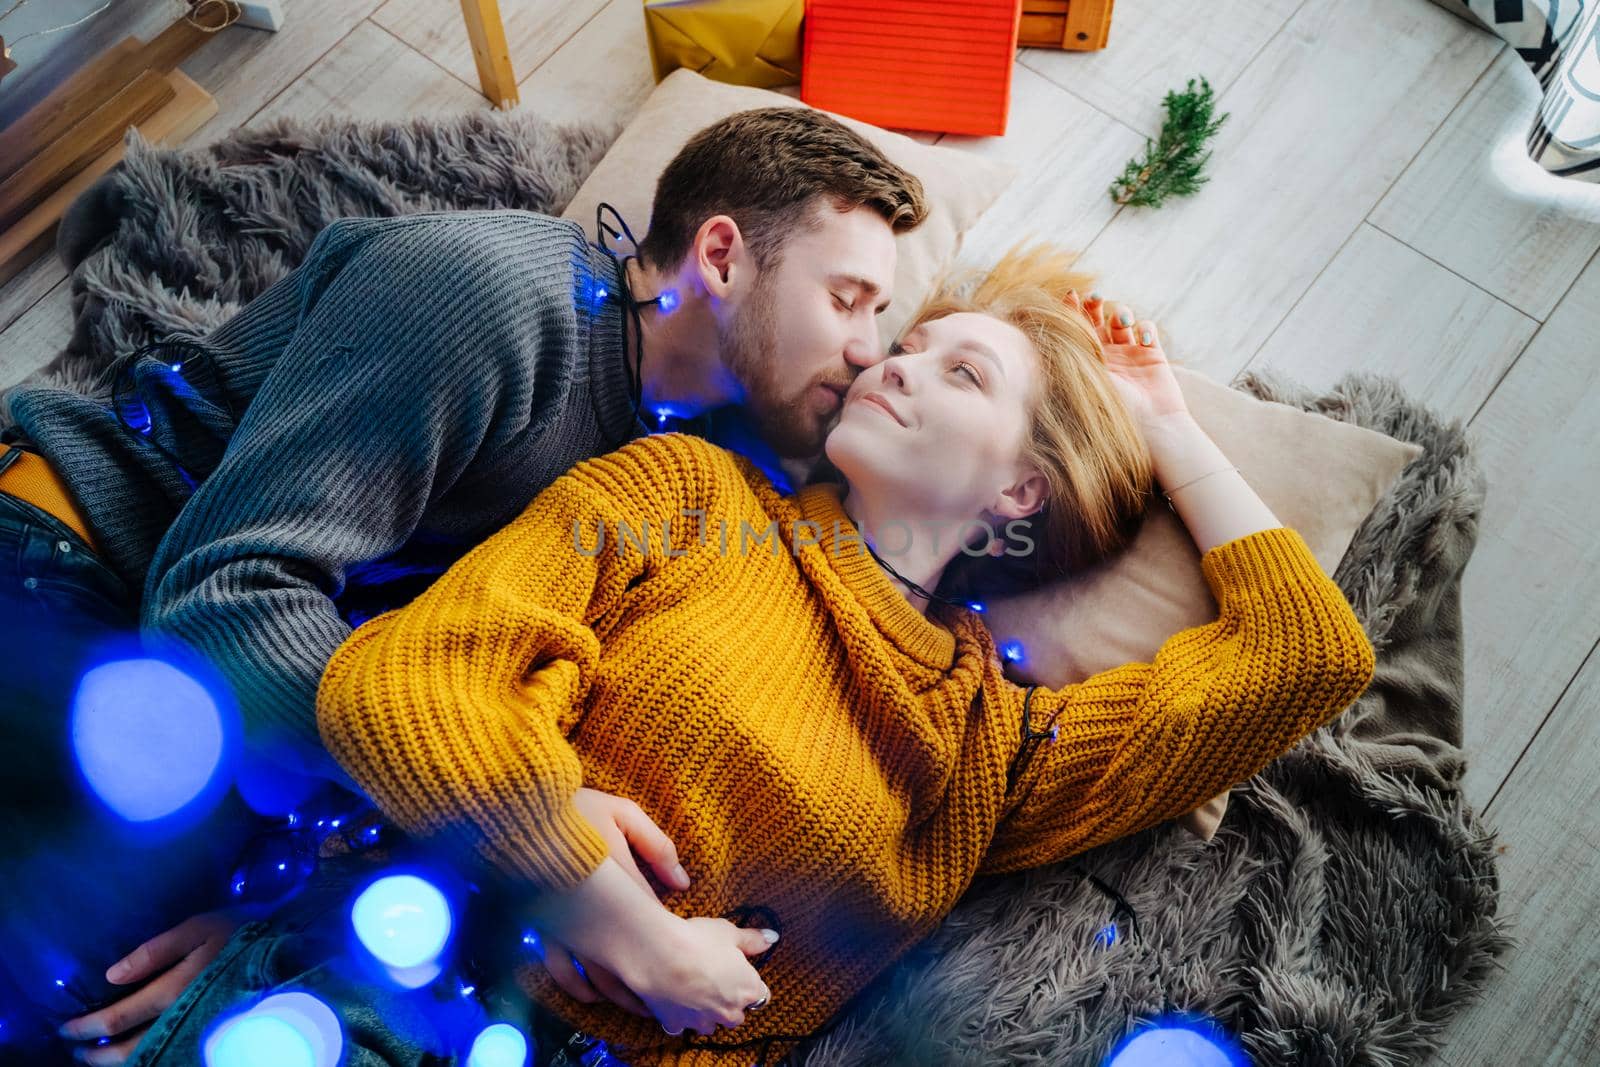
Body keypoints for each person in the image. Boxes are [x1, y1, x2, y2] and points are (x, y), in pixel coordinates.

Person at [170, 241, 1372, 1067]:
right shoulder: (689, 493)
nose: (892, 360)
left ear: (1019, 490)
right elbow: (398, 682)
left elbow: (1308, 650)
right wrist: (609, 906)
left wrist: (1164, 423)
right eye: (908, 340)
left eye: (961, 370)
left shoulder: (995, 749)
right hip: (386, 996)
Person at [0, 107, 927, 1065]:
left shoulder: (693, 468)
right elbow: (222, 597)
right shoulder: (492, 295)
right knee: (77, 983)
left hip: (253, 745)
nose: (869, 351)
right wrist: (525, 819)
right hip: (79, 562)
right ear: (723, 257)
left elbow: (463, 691)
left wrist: (285, 905)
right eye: (848, 299)